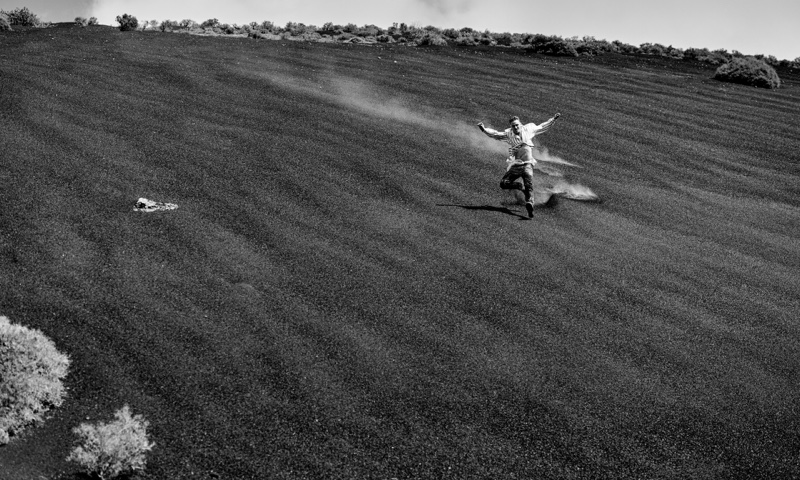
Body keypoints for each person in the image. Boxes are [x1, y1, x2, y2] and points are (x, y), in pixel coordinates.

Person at [478, 113, 561, 217]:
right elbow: (495, 134)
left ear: (521, 125)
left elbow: (542, 126)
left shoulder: (528, 129)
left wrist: (553, 119)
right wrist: (484, 129)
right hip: (516, 165)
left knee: (528, 184)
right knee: (503, 183)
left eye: (517, 125)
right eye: (513, 126)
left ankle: (529, 203)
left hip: (528, 164)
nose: (516, 127)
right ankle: (518, 186)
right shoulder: (508, 134)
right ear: (511, 127)